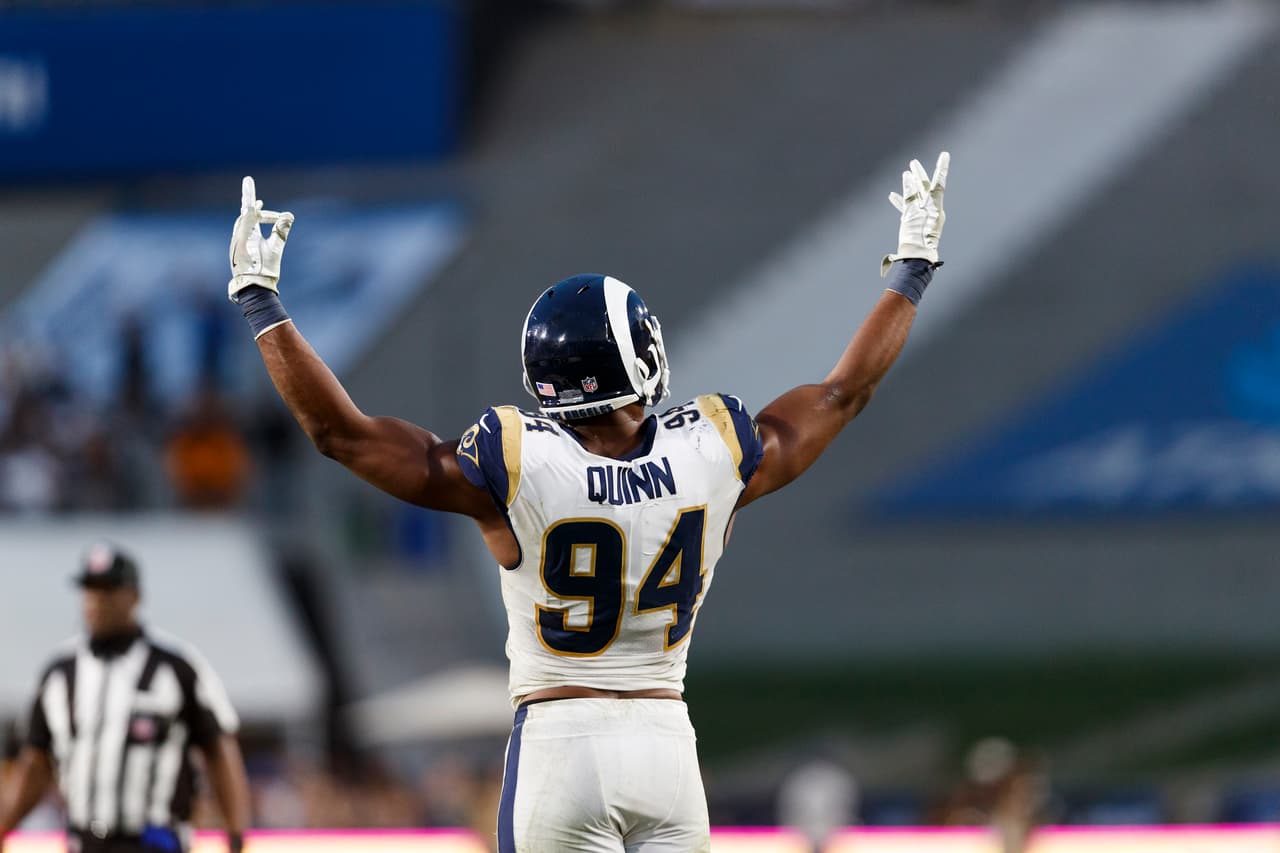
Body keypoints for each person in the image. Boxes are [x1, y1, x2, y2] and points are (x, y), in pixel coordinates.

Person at [226, 152, 949, 852]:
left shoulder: (515, 459)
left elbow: (340, 436)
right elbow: (841, 393)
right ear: (637, 359)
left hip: (559, 742)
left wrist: (262, 304)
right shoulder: (712, 449)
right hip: (666, 746)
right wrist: (911, 272)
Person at [0, 544, 251, 853]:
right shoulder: (59, 674)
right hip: (86, 840)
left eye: (107, 591)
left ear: (134, 596)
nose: (96, 601)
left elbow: (219, 748)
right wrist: (5, 826)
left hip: (155, 840)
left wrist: (236, 830)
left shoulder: (177, 667)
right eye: (90, 591)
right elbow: (36, 762)